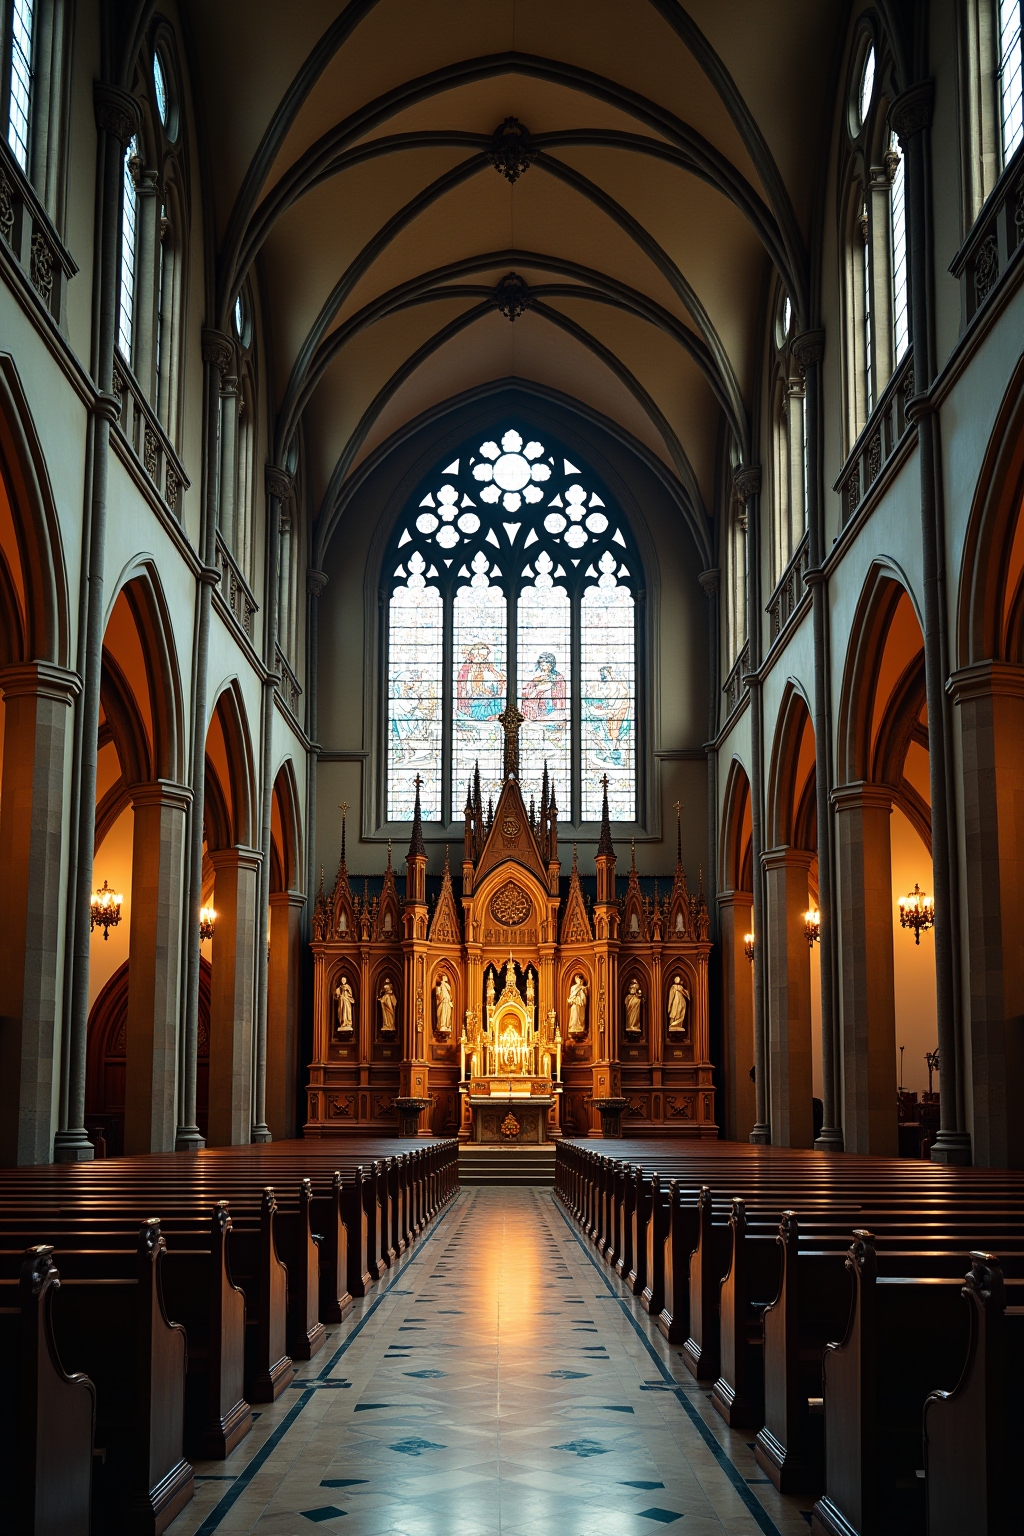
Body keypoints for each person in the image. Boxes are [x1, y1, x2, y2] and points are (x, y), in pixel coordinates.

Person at [567, 973, 588, 1037]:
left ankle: (580, 1028)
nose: (577, 980)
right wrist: (573, 999)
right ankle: (573, 1028)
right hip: (575, 1004)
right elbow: (571, 995)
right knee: (574, 1015)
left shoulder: (583, 988)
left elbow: (585, 997)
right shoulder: (573, 987)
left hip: (580, 1004)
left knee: (580, 1016)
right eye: (576, 979)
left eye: (578, 979)